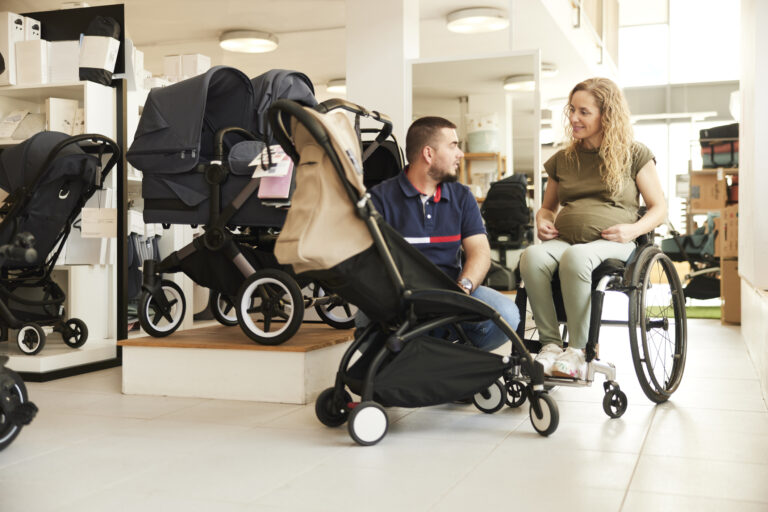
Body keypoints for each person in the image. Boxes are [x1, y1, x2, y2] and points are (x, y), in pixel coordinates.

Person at [519, 77, 667, 379]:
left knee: (576, 258)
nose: (574, 118)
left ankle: (578, 350)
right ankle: (549, 345)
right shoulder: (563, 159)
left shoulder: (634, 154)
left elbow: (659, 209)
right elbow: (548, 207)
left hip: (615, 241)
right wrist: (542, 219)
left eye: (584, 112)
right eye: (572, 110)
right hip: (567, 240)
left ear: (606, 115)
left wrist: (633, 230)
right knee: (531, 257)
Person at [363, 116, 519, 352]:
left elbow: (480, 252)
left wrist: (462, 289)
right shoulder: (380, 199)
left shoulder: (462, 197)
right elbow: (368, 262)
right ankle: (420, 360)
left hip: (452, 290)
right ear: (428, 154)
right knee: (364, 321)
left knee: (507, 314)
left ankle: (448, 359)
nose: (460, 154)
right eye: (453, 145)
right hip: (402, 297)